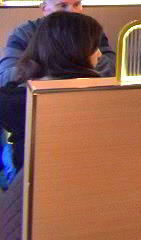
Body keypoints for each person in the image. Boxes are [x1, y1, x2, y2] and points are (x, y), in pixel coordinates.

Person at [0, 11, 104, 171]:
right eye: (94, 47)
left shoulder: (19, 97)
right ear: (74, 52)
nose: (100, 54)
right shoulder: (82, 102)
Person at [0, 0, 115, 85]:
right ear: (45, 9)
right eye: (63, 5)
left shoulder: (90, 32)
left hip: (85, 94)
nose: (72, 11)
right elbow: (4, 78)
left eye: (77, 4)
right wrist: (52, 67)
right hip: (37, 95)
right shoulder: (25, 33)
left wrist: (94, 57)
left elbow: (114, 69)